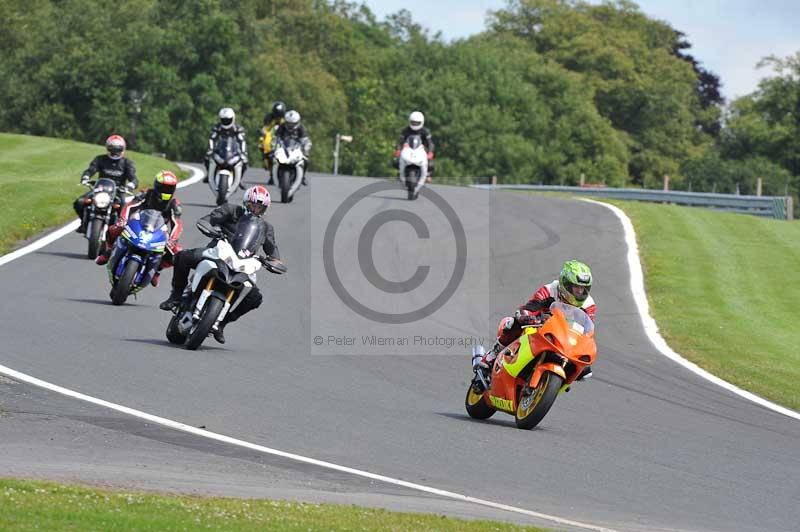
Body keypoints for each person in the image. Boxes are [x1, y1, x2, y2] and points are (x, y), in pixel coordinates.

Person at [159, 185, 280, 344]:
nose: (256, 209)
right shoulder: (230, 209)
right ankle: (175, 295)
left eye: (260, 207)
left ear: (265, 209)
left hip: (242, 262)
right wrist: (208, 226)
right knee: (182, 256)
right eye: (253, 205)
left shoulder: (266, 228)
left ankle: (222, 323)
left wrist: (274, 261)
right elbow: (208, 219)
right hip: (218, 252)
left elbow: (273, 250)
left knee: (255, 298)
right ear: (245, 202)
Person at [474, 260, 596, 381]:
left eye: (584, 289)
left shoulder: (589, 305)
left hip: (565, 339)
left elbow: (587, 330)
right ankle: (491, 357)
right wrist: (526, 315)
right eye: (576, 287)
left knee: (584, 370)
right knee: (512, 323)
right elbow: (531, 306)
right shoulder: (550, 290)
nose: (580, 292)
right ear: (566, 284)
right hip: (540, 327)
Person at [95, 171, 183, 287]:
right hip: (138, 223)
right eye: (163, 187)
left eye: (169, 188)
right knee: (115, 228)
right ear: (157, 185)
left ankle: (157, 269)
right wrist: (123, 220)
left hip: (158, 231)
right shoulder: (146, 193)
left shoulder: (174, 203)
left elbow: (177, 223)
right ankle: (108, 251)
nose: (166, 191)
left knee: (178, 252)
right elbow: (130, 206)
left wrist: (173, 239)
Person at [74, 135, 138, 233]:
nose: (115, 152)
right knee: (80, 202)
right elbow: (90, 170)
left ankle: (120, 230)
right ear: (108, 148)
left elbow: (133, 178)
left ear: (123, 149)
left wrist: (131, 185)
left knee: (123, 208)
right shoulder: (100, 159)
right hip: (100, 189)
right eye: (113, 149)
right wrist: (86, 177)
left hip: (118, 191)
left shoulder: (126, 163)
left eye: (118, 150)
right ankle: (84, 223)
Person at [204, 107, 248, 189]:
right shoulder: (217, 128)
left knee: (244, 162)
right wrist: (210, 150)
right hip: (220, 151)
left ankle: (239, 179)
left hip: (233, 152)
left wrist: (243, 152)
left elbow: (242, 141)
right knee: (207, 158)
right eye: (224, 120)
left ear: (233, 118)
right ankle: (209, 174)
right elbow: (212, 139)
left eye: (228, 120)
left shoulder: (237, 128)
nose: (226, 122)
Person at [272, 110, 312, 185]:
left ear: (297, 122)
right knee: (272, 157)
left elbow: (305, 140)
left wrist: (306, 149)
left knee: (306, 161)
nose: (290, 125)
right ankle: (272, 176)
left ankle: (302, 177)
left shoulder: (301, 128)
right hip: (283, 148)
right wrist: (274, 146)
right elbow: (276, 137)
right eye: (288, 123)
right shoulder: (282, 127)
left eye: (292, 124)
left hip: (296, 149)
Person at [393, 111, 435, 181]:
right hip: (408, 150)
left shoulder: (425, 131)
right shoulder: (405, 130)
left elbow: (430, 143)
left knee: (431, 164)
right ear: (410, 121)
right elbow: (400, 142)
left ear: (421, 122)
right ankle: (400, 172)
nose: (415, 124)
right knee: (395, 161)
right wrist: (398, 150)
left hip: (421, 151)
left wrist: (430, 152)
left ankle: (428, 174)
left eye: (417, 123)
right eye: (413, 122)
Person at [259, 101, 286, 185]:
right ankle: (270, 171)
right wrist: (262, 133)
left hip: (283, 138)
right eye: (276, 115)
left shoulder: (286, 119)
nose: (278, 117)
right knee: (262, 146)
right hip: (271, 138)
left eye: (279, 115)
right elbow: (265, 128)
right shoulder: (269, 118)